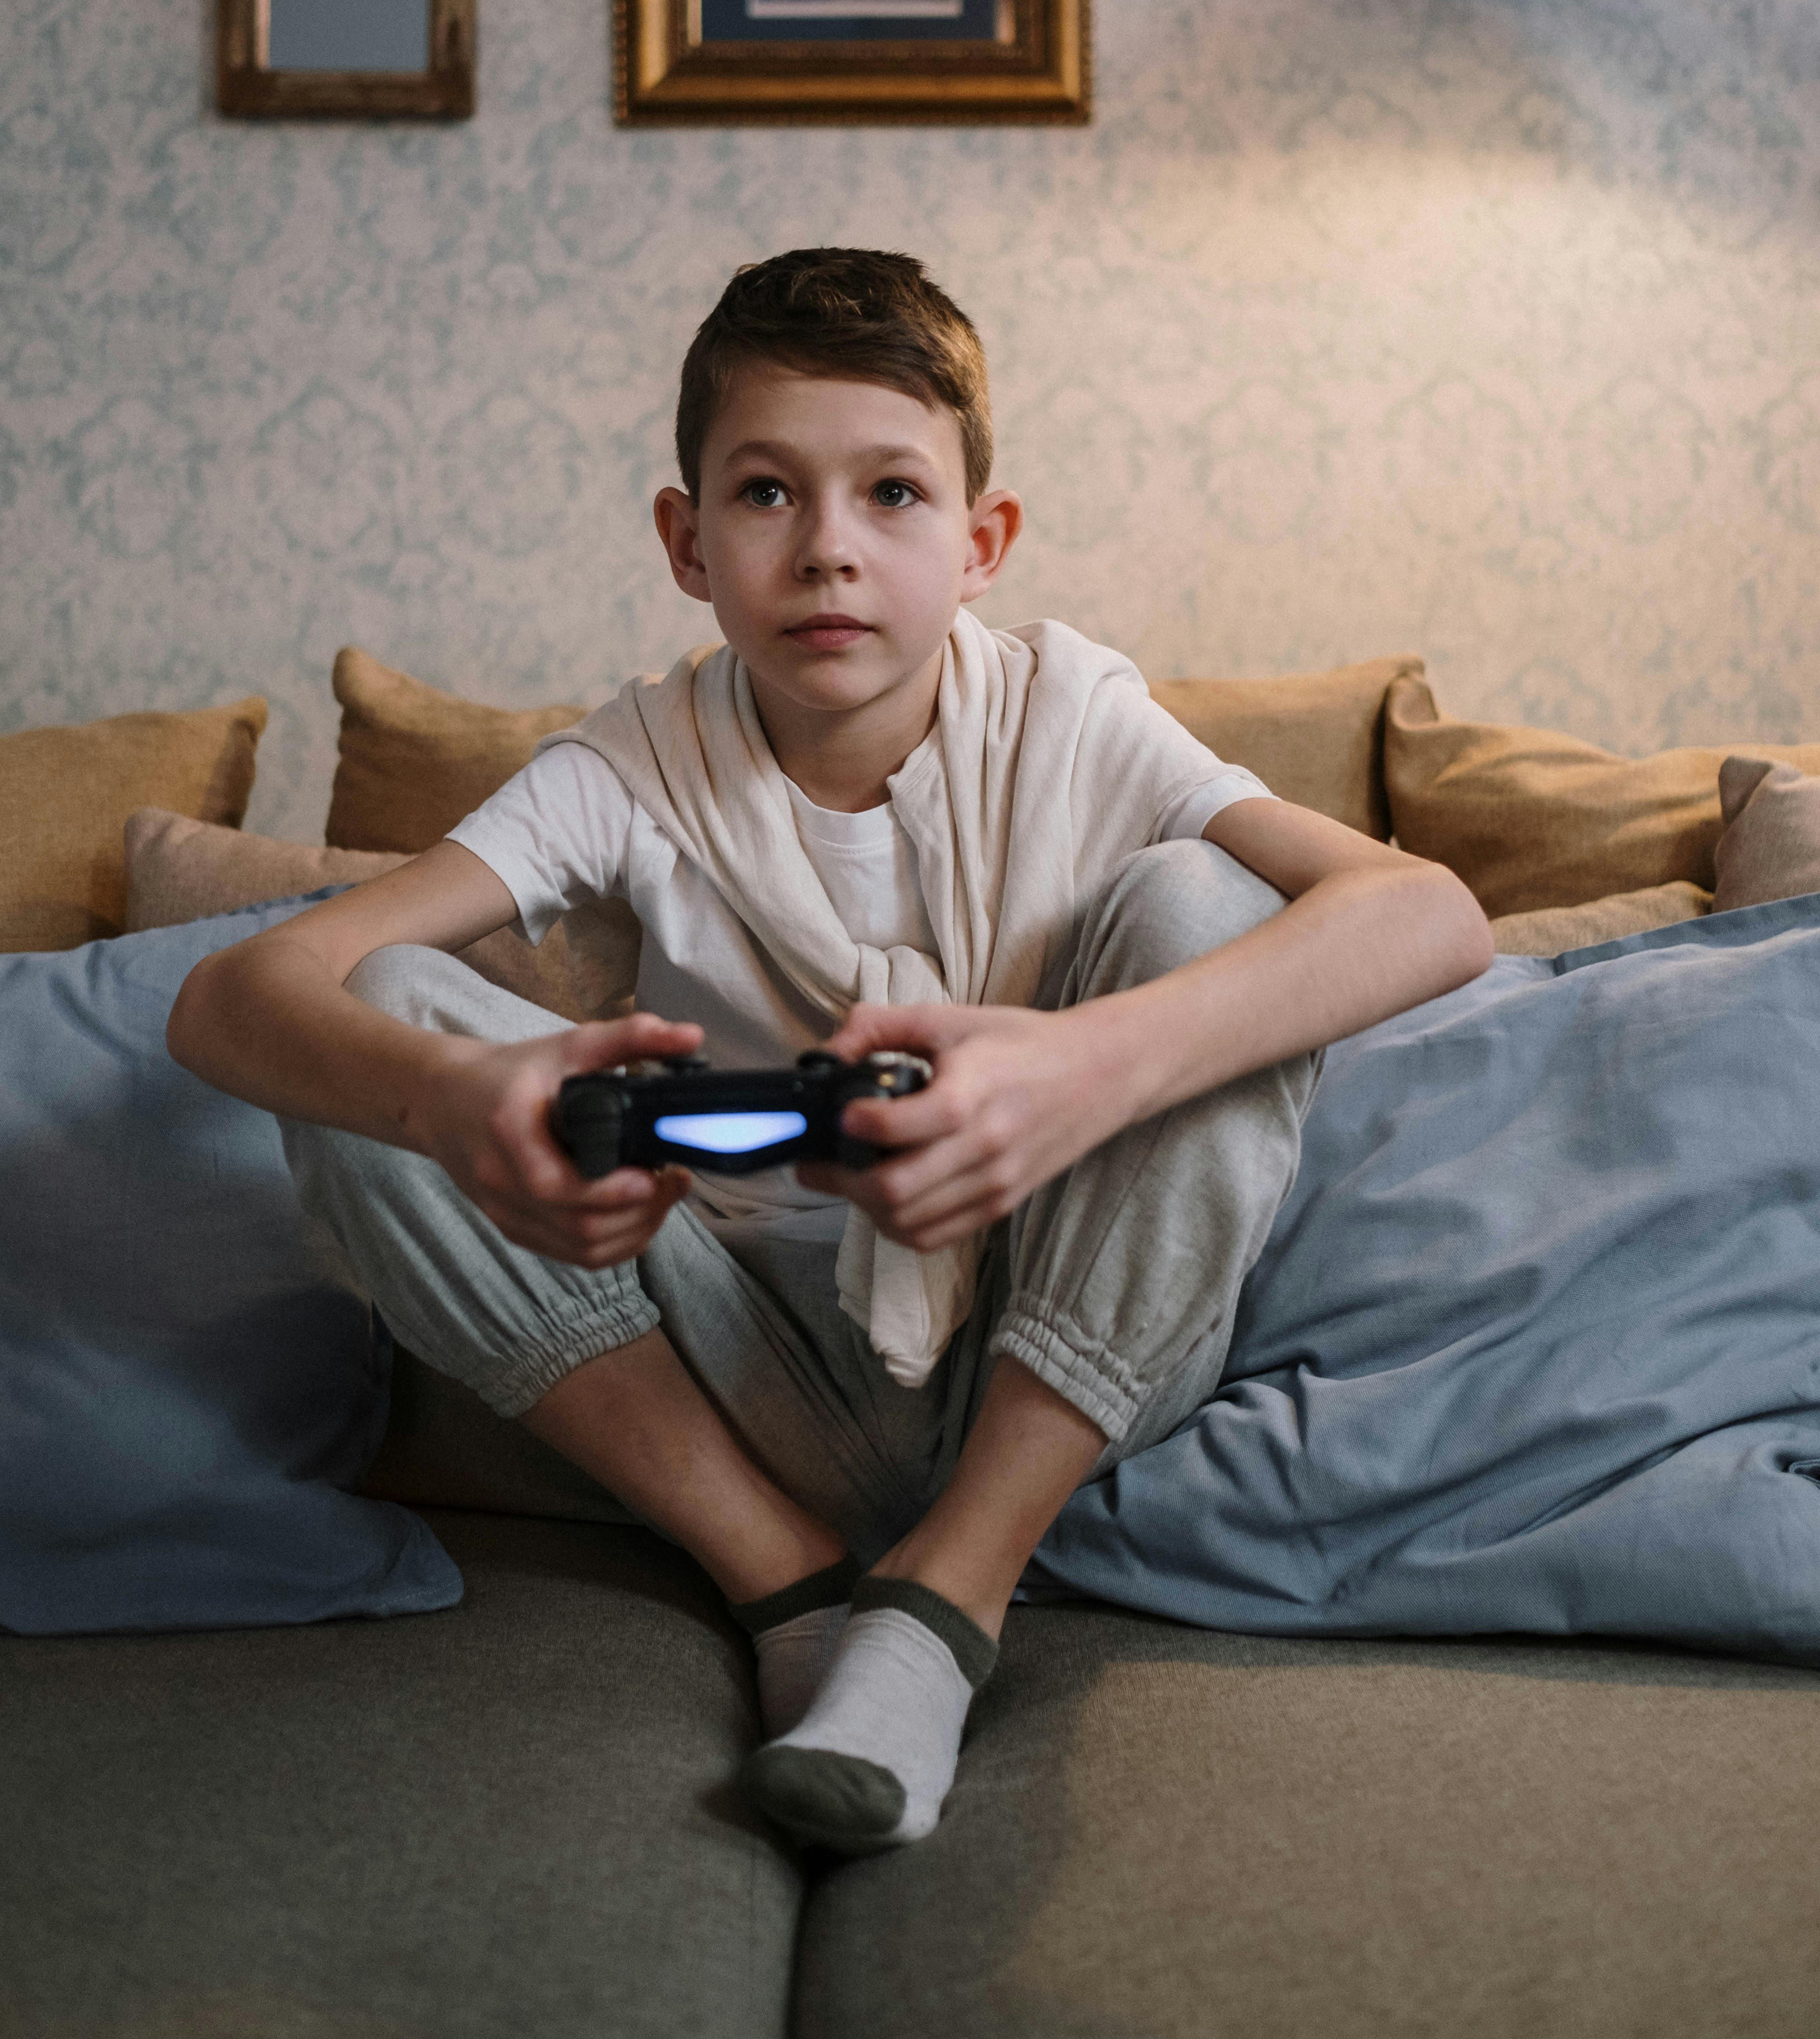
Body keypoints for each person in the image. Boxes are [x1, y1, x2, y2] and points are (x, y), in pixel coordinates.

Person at [169, 248, 1490, 1857]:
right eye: (769, 495)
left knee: (1212, 901)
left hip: (1062, 1337)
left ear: (982, 541)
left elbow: (1427, 914)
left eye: (892, 496)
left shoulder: (1078, 717)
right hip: (739, 1372)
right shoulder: (632, 763)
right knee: (380, 1009)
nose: (830, 552)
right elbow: (236, 998)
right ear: (688, 541)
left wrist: (1087, 1069)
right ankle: (785, 1577)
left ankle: (950, 1593)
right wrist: (456, 1100)